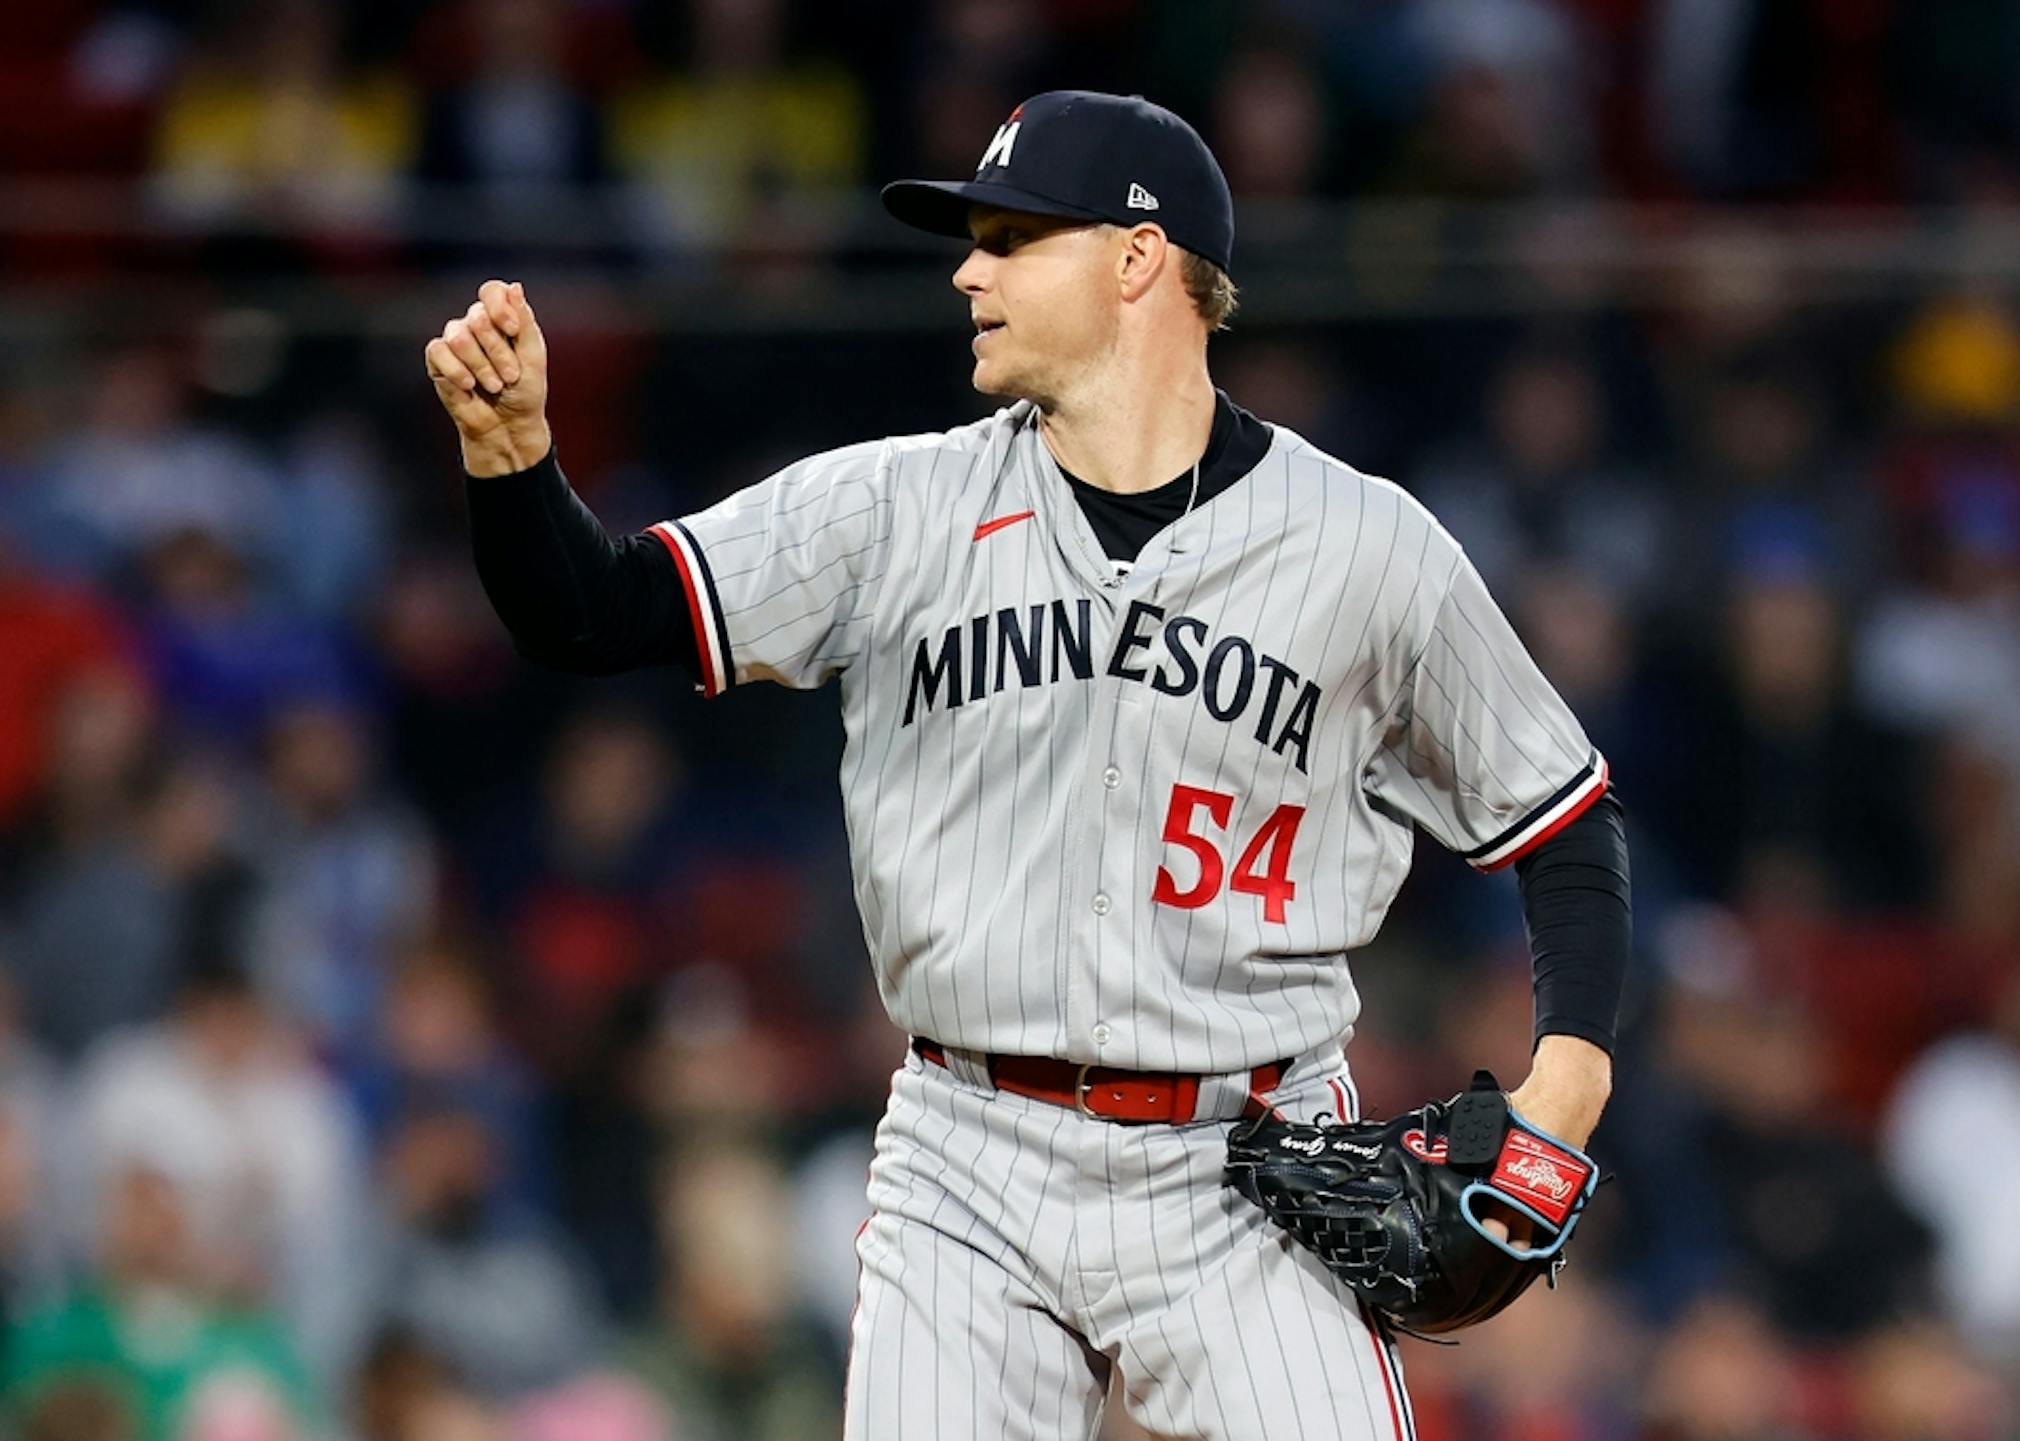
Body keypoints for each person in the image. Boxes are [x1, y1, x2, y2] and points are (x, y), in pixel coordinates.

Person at [425, 89, 1630, 1441]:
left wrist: (1566, 1082)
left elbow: (1564, 821)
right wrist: (513, 459)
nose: (967, 271)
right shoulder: (894, 507)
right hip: (968, 1151)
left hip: (1251, 1160)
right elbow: (592, 611)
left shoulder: (1368, 549)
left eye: (1010, 239)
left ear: (1134, 261)